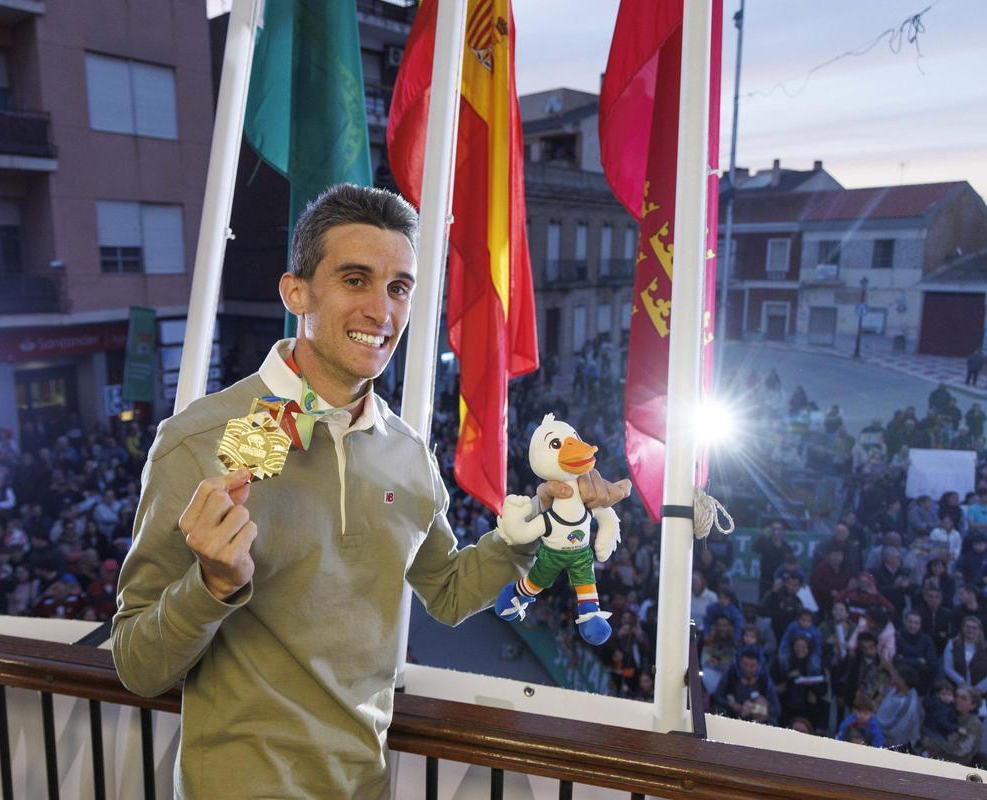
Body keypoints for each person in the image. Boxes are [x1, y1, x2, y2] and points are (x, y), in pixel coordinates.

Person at [110, 185, 630, 799]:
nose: (381, 311)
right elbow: (137, 666)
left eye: (399, 288)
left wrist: (540, 520)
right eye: (355, 280)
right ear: (296, 293)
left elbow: (449, 592)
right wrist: (212, 586)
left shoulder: (407, 452)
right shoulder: (196, 441)